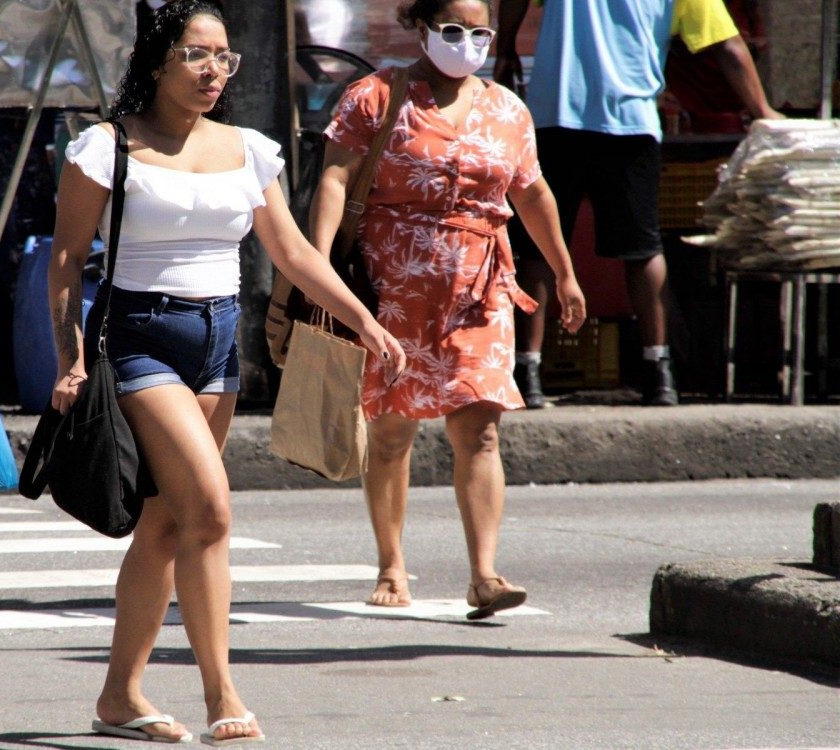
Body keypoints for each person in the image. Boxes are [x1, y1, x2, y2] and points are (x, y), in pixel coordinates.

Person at [48, 1, 405, 743]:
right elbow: (65, 262)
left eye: (225, 57)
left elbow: (295, 253)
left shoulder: (247, 148)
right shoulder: (106, 147)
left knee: (167, 521)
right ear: (157, 61)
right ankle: (222, 696)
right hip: (141, 337)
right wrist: (70, 357)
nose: (215, 70)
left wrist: (364, 320)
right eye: (197, 55)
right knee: (210, 511)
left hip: (217, 342)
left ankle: (119, 696)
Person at [311, 0, 585, 611]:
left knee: (481, 428)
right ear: (423, 28)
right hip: (393, 290)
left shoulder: (507, 109)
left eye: (479, 31)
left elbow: (533, 192)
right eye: (453, 30)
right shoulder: (376, 97)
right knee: (390, 431)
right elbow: (333, 179)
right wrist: (319, 263)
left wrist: (565, 274)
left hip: (481, 289)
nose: (467, 42)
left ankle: (484, 574)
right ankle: (391, 567)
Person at [495, 0, 783, 408]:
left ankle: (527, 372)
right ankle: (659, 373)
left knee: (537, 244)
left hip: (555, 113)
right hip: (631, 123)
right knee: (643, 248)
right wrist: (762, 112)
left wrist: (505, 49)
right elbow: (729, 45)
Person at [663, 0, 782, 135]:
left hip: (732, 105)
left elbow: (741, 45)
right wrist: (763, 111)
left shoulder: (745, 7)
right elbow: (730, 48)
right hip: (691, 101)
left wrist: (763, 111)